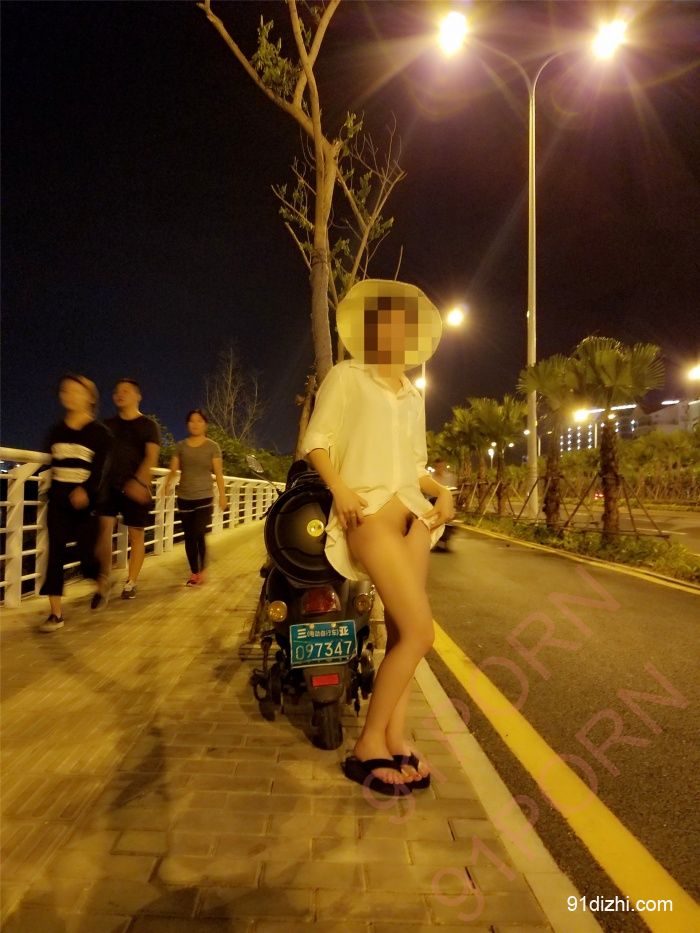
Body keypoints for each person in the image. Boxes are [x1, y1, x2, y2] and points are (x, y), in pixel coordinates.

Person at [301, 279, 455, 795]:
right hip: (368, 515)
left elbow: (415, 466)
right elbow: (317, 441)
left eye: (402, 326)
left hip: (414, 520)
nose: (394, 333)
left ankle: (395, 736)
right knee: (422, 634)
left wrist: (442, 492)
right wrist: (340, 489)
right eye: (384, 324)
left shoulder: (413, 395)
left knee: (400, 632)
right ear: (370, 331)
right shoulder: (348, 376)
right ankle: (367, 744)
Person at [38, 374, 113, 632]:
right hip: (58, 501)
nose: (68, 395)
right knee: (55, 553)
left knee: (86, 556)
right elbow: (53, 464)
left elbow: (100, 471)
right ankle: (55, 614)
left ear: (90, 398)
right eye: (64, 390)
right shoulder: (55, 431)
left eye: (75, 391)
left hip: (85, 502)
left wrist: (86, 491)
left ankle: (100, 582)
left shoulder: (100, 434)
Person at [95, 378, 160, 603]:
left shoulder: (148, 425)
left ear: (138, 396)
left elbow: (151, 456)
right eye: (117, 391)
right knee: (104, 530)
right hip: (109, 486)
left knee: (136, 535)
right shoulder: (107, 425)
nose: (120, 394)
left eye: (126, 391)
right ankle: (103, 579)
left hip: (136, 486)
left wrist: (139, 482)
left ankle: (131, 581)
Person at [163, 409, 226, 585]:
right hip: (184, 496)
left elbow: (218, 473)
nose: (195, 424)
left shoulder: (212, 446)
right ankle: (194, 572)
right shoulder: (181, 446)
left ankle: (202, 568)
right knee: (190, 536)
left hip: (204, 496)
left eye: (199, 421)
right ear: (187, 424)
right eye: (192, 421)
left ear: (205, 424)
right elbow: (173, 469)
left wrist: (222, 495)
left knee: (199, 532)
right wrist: (166, 484)